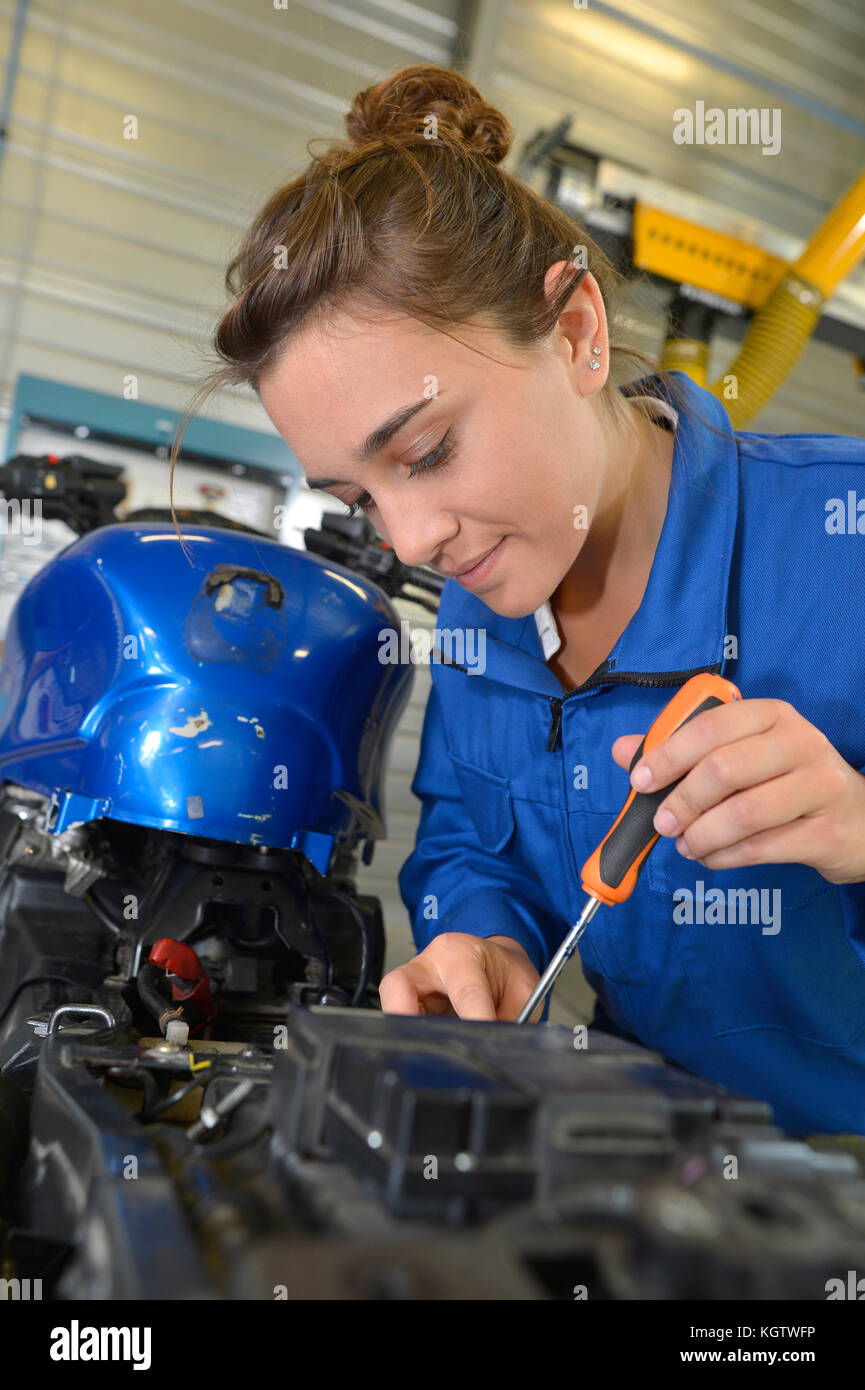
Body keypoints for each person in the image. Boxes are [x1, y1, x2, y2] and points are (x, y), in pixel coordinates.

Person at [173, 64, 865, 1136]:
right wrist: (487, 940)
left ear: (579, 331)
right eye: (360, 494)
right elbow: (466, 843)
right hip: (655, 1170)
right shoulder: (487, 598)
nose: (413, 540)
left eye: (430, 449)